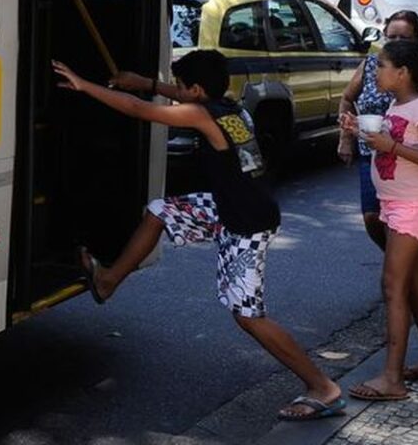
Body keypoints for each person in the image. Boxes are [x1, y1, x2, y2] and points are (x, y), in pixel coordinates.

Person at [56, 52, 345, 422]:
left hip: (246, 222)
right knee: (159, 211)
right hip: (232, 205)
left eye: (179, 87)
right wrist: (146, 83)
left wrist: (84, 85)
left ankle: (323, 387)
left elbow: (137, 110)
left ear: (195, 89)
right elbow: (180, 96)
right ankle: (109, 280)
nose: (174, 92)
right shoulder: (231, 106)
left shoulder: (203, 113)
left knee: (248, 316)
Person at [339, 41, 418, 402]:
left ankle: (392, 378)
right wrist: (360, 129)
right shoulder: (396, 105)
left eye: (382, 66)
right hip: (395, 204)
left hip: (414, 208)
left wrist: (391, 147)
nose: (375, 72)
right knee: (414, 286)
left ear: (402, 72)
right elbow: (396, 142)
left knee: (393, 287)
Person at [337, 11, 418, 281]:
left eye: (404, 38)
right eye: (390, 37)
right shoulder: (373, 64)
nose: (395, 42)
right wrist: (346, 137)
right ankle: (401, 265)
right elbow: (347, 99)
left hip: (413, 163)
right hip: (373, 155)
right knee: (373, 217)